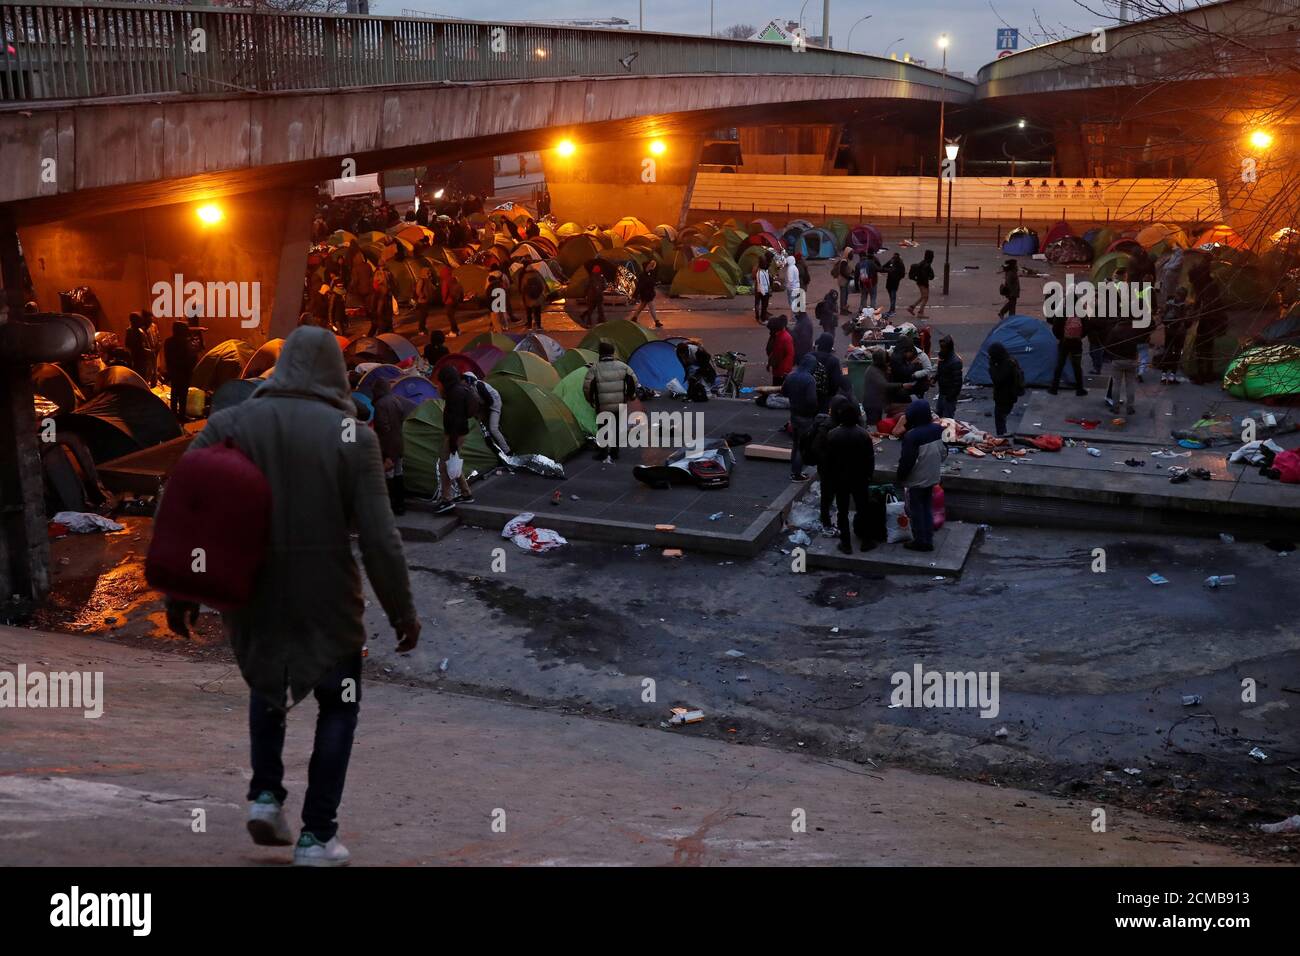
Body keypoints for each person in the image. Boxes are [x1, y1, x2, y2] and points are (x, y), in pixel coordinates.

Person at [164, 327, 420, 867]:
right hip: (328, 600)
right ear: (333, 370)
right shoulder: (354, 436)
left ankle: (264, 796)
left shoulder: (231, 422)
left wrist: (184, 583)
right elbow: (379, 537)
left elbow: (183, 490)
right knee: (339, 706)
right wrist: (401, 610)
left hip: (250, 593)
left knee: (267, 686)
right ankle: (317, 836)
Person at [823, 400, 876, 555]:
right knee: (863, 508)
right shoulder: (863, 435)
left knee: (842, 510)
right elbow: (869, 458)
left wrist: (830, 478)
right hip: (860, 477)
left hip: (840, 479)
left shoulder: (833, 435)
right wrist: (869, 475)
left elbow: (828, 460)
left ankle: (845, 543)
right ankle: (866, 541)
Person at [896, 398, 947, 553]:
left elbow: (907, 461)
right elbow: (944, 452)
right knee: (927, 506)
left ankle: (920, 541)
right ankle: (928, 537)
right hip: (932, 475)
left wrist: (900, 476)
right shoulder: (937, 430)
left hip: (917, 478)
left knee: (916, 509)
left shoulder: (912, 436)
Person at [584, 341, 638, 462]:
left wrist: (590, 400)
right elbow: (633, 381)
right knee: (617, 427)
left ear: (600, 353)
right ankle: (615, 452)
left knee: (603, 427)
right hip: (620, 403)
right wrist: (631, 395)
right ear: (612, 352)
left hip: (602, 405)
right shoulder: (623, 367)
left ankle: (603, 453)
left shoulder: (594, 368)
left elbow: (587, 387)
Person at [433, 364, 475, 511]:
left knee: (444, 465)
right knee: (454, 462)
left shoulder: (454, 394)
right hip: (459, 432)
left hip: (454, 434)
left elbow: (455, 419)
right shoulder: (460, 390)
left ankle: (447, 499)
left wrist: (452, 442)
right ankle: (466, 493)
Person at [370, 377, 414, 515]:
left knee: (388, 476)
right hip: (398, 443)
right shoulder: (396, 400)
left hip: (388, 447)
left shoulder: (380, 405)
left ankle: (390, 506)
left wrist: (386, 454)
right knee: (398, 473)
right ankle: (400, 505)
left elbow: (383, 430)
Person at [782, 353, 820, 482]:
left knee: (796, 442)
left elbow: (784, 391)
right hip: (806, 416)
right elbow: (812, 400)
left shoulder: (791, 376)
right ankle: (796, 473)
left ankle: (794, 469)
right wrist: (815, 410)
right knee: (802, 446)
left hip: (794, 414)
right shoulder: (809, 379)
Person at [463, 371, 510, 455]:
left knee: (493, 429)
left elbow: (490, 401)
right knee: (485, 426)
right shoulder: (470, 388)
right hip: (487, 405)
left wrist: (484, 411)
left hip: (494, 404)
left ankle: (507, 451)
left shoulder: (479, 385)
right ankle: (497, 445)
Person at [1048, 309, 1089, 397]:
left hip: (1064, 342)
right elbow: (1087, 327)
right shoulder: (1081, 312)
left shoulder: (1061, 312)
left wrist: (1061, 337)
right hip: (1077, 343)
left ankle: (1054, 388)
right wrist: (1079, 336)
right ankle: (1079, 389)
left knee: (1060, 365)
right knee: (1077, 366)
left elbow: (1055, 328)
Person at [1105, 316, 1140, 416]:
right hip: (1131, 359)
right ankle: (1130, 407)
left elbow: (1108, 345)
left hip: (1117, 360)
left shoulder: (1115, 330)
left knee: (1116, 385)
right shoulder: (1134, 330)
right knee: (1130, 385)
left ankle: (1115, 407)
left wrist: (1112, 356)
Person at [163, 319, 196, 423]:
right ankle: (181, 415)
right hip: (183, 372)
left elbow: (169, 358)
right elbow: (190, 357)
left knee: (175, 393)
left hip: (174, 371)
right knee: (182, 395)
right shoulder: (184, 342)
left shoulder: (169, 342)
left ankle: (174, 415)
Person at [986, 341, 1021, 437]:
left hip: (1005, 396)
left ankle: (1002, 437)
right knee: (1001, 418)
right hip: (1008, 395)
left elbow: (997, 379)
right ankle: (1002, 436)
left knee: (1000, 419)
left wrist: (992, 367)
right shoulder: (1010, 361)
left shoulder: (1006, 365)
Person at [812, 332, 850, 412]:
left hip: (810, 393)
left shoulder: (810, 356)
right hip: (825, 396)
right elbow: (836, 381)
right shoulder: (833, 361)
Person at [1158, 286, 1190, 384]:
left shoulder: (1169, 303)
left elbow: (1163, 316)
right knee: (1177, 353)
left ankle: (1163, 376)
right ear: (1185, 296)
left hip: (1169, 331)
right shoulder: (1186, 306)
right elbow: (1188, 322)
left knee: (1167, 351)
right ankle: (1172, 376)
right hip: (1180, 334)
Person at [933, 334, 963, 419]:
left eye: (943, 347)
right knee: (939, 415)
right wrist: (934, 378)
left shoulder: (955, 361)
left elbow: (957, 382)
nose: (941, 349)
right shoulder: (944, 358)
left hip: (949, 395)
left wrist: (951, 396)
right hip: (943, 392)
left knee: (947, 419)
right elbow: (940, 371)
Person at [124, 311, 155, 384]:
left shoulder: (138, 330)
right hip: (139, 359)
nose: (141, 321)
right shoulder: (134, 331)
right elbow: (139, 347)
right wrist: (150, 351)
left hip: (140, 358)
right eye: (139, 320)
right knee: (141, 379)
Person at [862, 349, 889, 429]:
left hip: (873, 402)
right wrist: (901, 385)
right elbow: (884, 385)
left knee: (875, 423)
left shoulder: (873, 369)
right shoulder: (874, 371)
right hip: (872, 404)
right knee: (873, 425)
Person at [766, 314, 794, 385]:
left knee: (777, 387)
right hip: (784, 368)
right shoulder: (784, 335)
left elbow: (777, 356)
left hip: (781, 370)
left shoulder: (781, 338)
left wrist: (771, 364)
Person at [906, 250, 935, 317]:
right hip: (923, 283)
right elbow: (925, 275)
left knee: (923, 296)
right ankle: (920, 313)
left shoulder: (923, 262)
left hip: (919, 282)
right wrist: (926, 282)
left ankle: (912, 307)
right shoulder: (927, 264)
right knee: (926, 297)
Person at [368, 264, 394, 335]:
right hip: (380, 314)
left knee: (377, 326)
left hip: (382, 310)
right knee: (379, 326)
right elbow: (379, 307)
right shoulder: (379, 290)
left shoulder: (386, 274)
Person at [413, 267, 435, 335]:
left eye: (429, 272)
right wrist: (422, 295)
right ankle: (421, 329)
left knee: (425, 316)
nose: (429, 274)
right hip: (422, 302)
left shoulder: (428, 280)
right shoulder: (421, 280)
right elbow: (418, 290)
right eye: (428, 272)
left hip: (427, 301)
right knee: (422, 316)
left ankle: (423, 328)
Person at [883, 252, 905, 317]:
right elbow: (902, 274)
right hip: (894, 282)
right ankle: (892, 309)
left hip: (891, 282)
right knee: (893, 297)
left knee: (892, 296)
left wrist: (888, 270)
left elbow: (883, 267)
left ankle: (892, 310)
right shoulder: (900, 263)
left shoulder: (892, 261)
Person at [752, 253, 772, 324]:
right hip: (760, 290)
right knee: (759, 303)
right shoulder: (759, 271)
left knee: (763, 304)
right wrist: (763, 292)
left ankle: (761, 316)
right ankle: (759, 317)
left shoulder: (763, 269)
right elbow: (759, 281)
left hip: (763, 289)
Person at [442, 269, 463, 337]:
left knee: (451, 317)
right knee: (452, 316)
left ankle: (454, 331)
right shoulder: (455, 279)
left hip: (449, 301)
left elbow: (445, 292)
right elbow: (460, 288)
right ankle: (456, 330)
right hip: (455, 300)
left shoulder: (445, 281)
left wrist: (444, 300)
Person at [782, 253, 803, 318]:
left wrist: (787, 286)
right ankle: (797, 315)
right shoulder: (795, 267)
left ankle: (794, 316)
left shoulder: (790, 268)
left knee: (792, 302)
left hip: (792, 288)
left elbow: (790, 280)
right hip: (796, 286)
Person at [834, 249, 854, 315]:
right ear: (847, 253)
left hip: (845, 281)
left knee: (845, 296)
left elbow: (850, 270)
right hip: (843, 281)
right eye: (851, 253)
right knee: (843, 296)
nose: (852, 254)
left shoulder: (847, 260)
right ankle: (842, 310)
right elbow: (842, 272)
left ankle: (845, 309)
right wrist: (849, 277)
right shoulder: (844, 261)